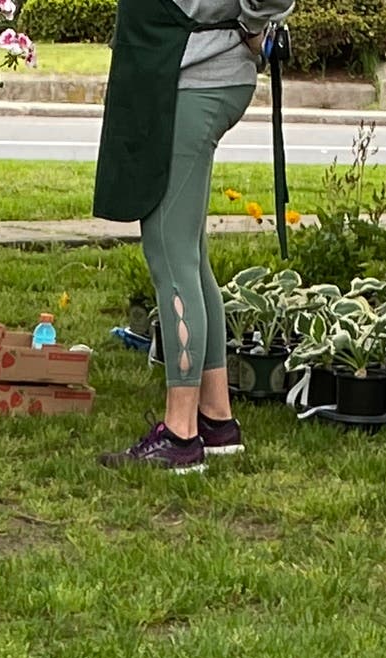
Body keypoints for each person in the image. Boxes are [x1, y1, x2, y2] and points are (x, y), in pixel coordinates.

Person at [92, 0, 272, 470]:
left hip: (197, 77)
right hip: (190, 74)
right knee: (188, 251)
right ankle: (215, 419)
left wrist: (256, 25)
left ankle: (181, 435)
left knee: (170, 254)